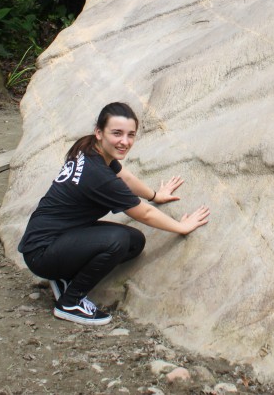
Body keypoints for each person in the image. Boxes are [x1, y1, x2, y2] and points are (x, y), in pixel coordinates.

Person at [17, 101, 210, 326]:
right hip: (42, 251)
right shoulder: (97, 176)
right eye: (116, 133)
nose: (124, 142)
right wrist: (181, 227)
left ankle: (62, 277)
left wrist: (156, 195)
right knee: (116, 242)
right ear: (99, 132)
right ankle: (70, 302)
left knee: (133, 242)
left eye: (131, 135)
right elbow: (144, 214)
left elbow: (124, 177)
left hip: (56, 236)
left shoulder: (88, 148)